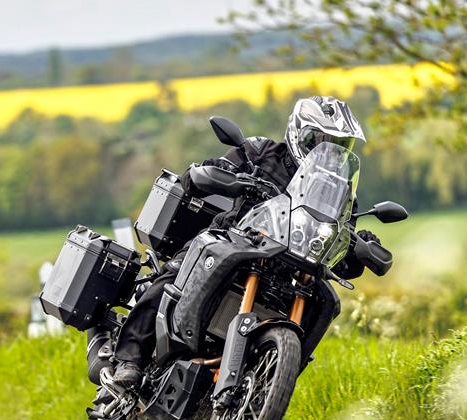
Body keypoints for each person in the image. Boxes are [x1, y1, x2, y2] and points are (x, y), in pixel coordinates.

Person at [112, 96, 381, 389]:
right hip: (233, 240)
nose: (330, 152)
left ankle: (269, 382)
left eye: (340, 145)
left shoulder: (339, 195)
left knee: (326, 299)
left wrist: (361, 245)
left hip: (291, 270)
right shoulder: (260, 151)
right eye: (322, 140)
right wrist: (224, 176)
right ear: (300, 134)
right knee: (174, 276)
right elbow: (197, 177)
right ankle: (130, 359)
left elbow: (341, 251)